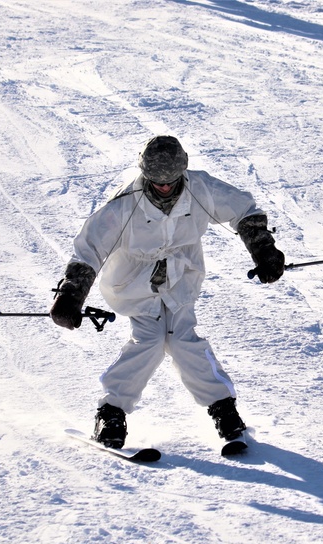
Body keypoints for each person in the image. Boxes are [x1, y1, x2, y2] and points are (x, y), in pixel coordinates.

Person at [50, 135, 285, 450]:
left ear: (182, 171)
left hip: (180, 278)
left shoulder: (199, 188)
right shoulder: (124, 203)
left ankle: (223, 409)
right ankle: (111, 413)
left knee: (182, 338)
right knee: (149, 340)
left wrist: (262, 248)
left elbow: (243, 208)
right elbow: (90, 247)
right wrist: (71, 294)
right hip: (134, 284)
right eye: (156, 182)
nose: (164, 187)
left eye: (170, 182)